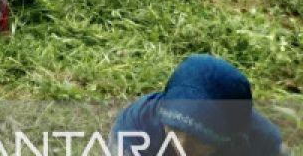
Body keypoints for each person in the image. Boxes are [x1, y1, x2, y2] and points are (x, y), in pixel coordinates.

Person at [110, 54, 284, 155]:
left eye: (199, 138)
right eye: (175, 130)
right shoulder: (136, 126)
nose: (182, 146)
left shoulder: (263, 144)